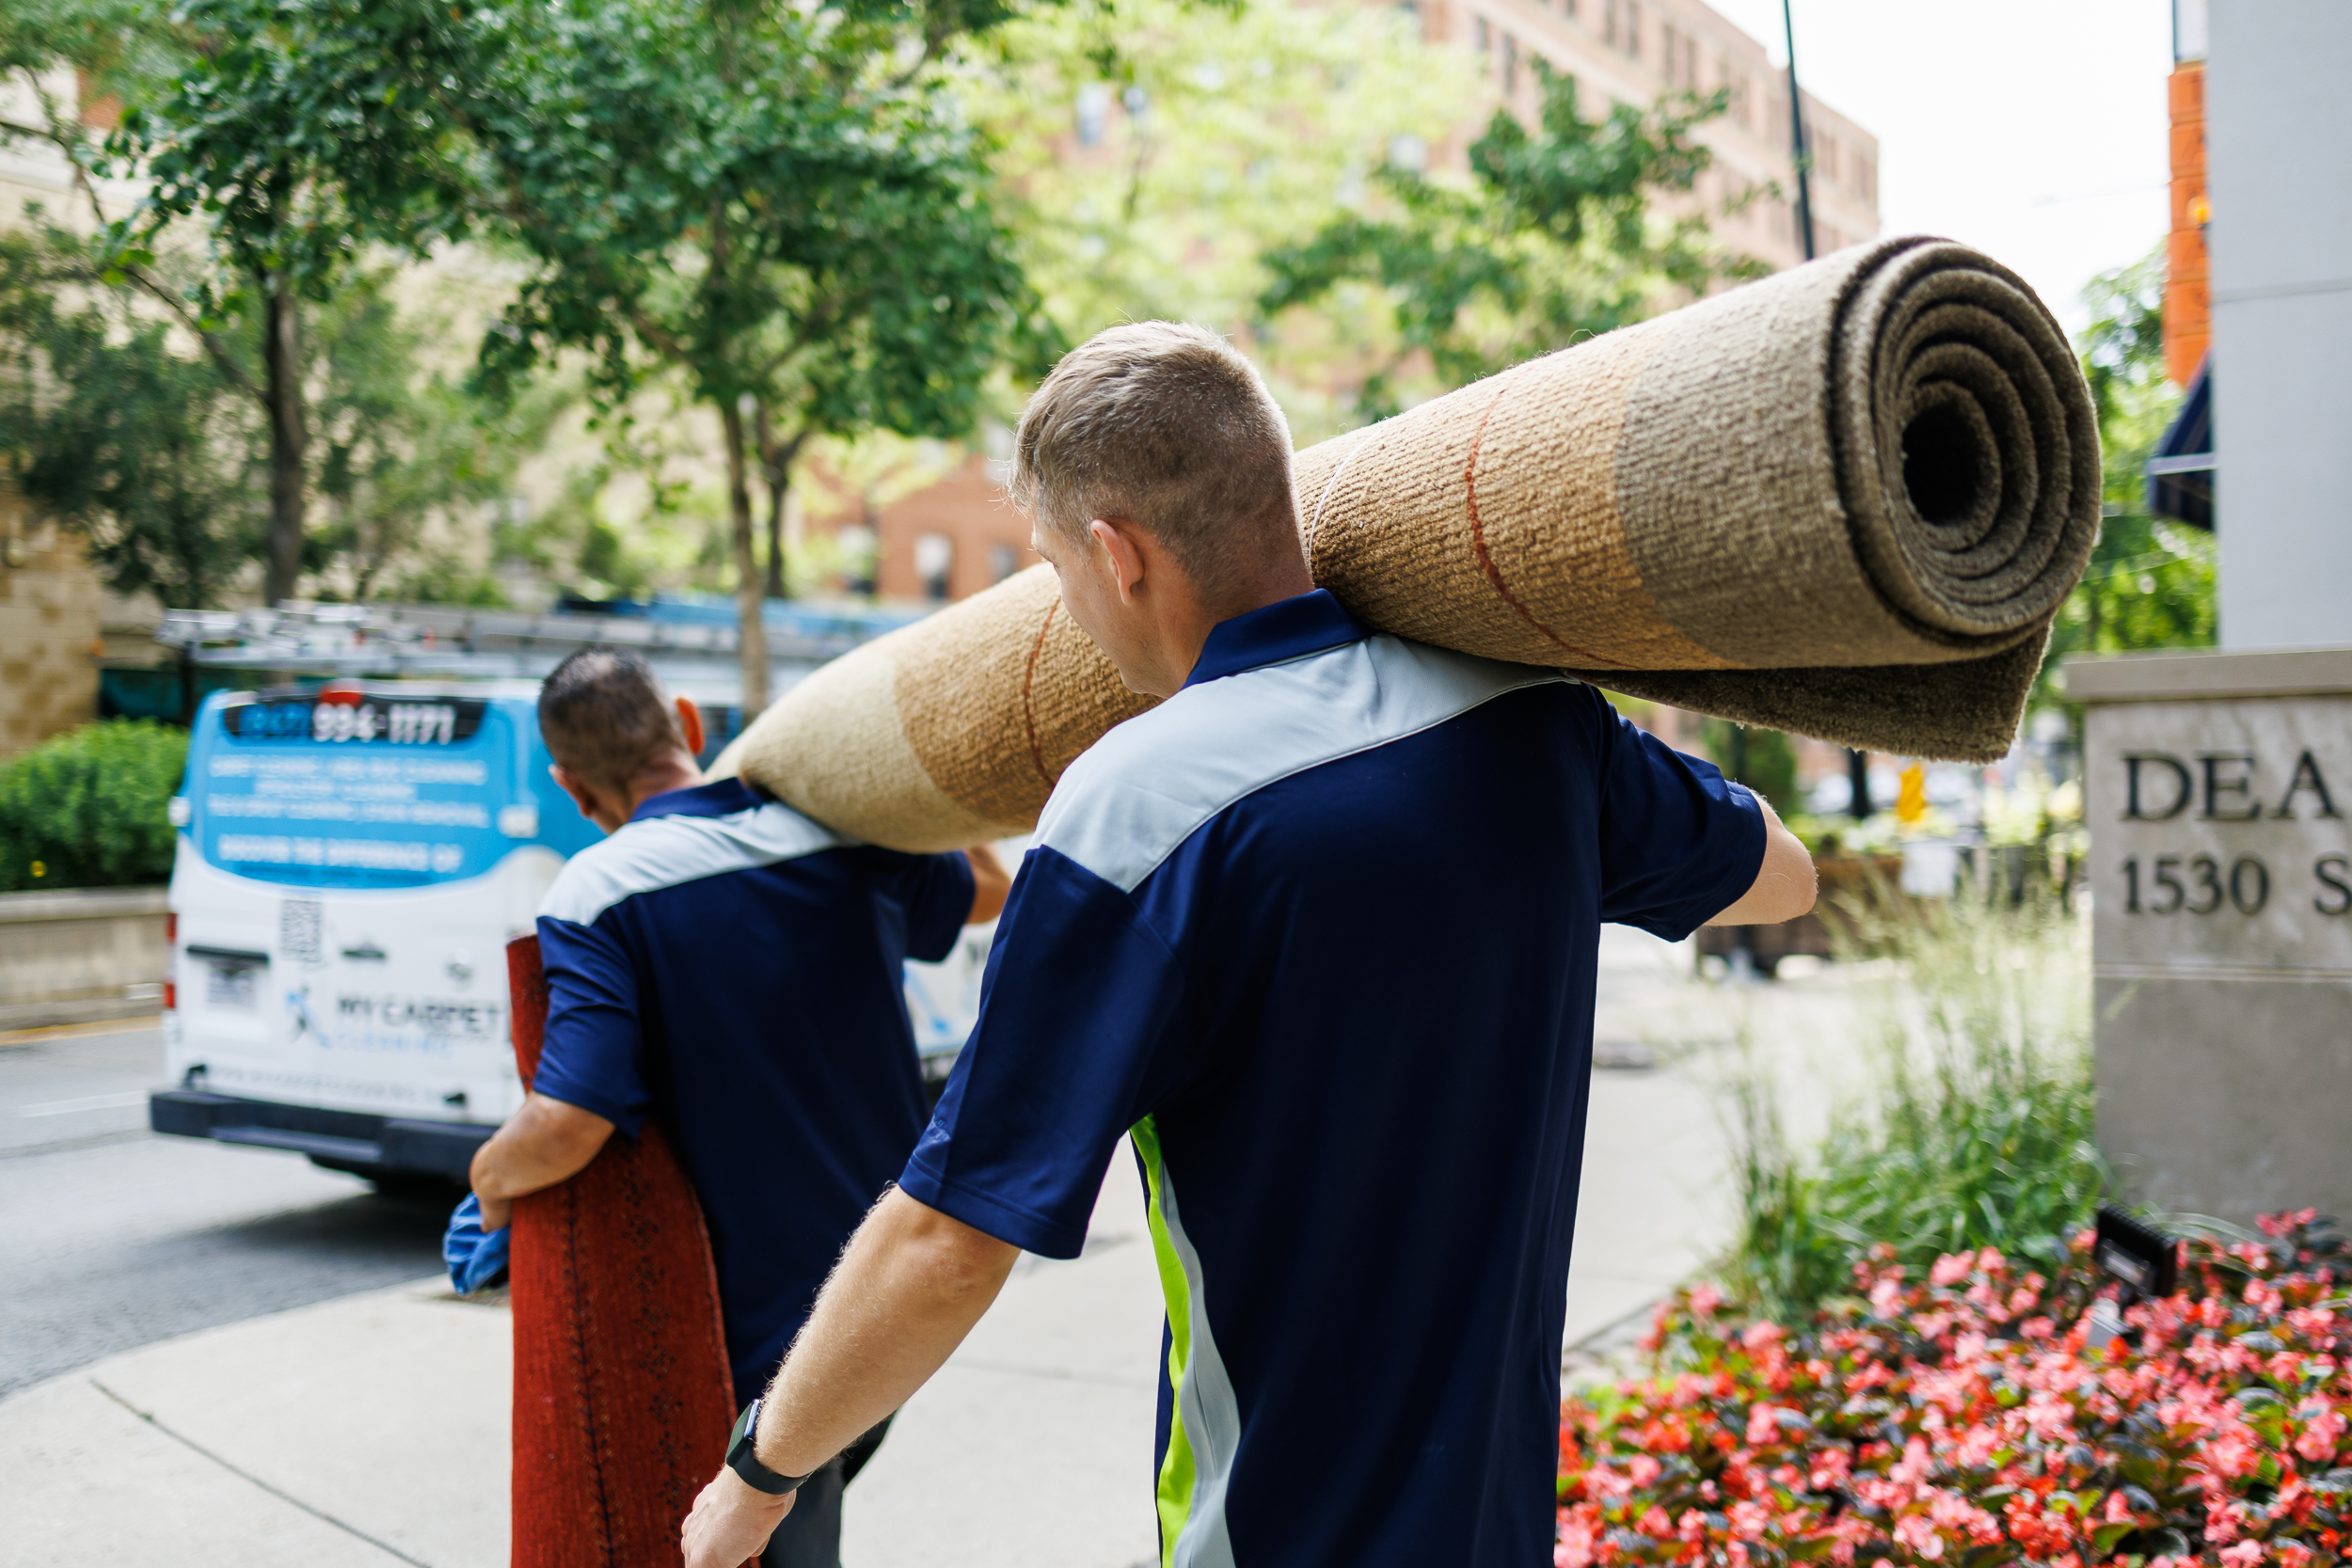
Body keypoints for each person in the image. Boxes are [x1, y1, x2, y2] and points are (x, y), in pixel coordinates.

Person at [681, 323, 1816, 1567]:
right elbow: (1780, 872)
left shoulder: (1138, 810)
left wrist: (761, 1467)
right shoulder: (1541, 726)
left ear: (1117, 557)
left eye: (1058, 572)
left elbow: (951, 1236)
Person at [468, 648, 1009, 1568]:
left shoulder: (598, 890)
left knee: (764, 1531)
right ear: (687, 719)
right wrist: (899, 783)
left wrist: (486, 1180)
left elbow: (570, 1118)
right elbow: (986, 889)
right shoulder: (840, 838)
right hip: (895, 1280)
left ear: (566, 783)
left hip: (754, 1330)